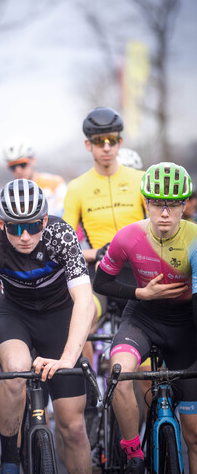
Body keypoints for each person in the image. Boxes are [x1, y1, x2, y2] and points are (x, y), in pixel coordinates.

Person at [0, 179, 96, 474]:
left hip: (59, 315)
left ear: (45, 220)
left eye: (33, 226)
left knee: (73, 427)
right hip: (14, 313)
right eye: (14, 227)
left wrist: (67, 358)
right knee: (14, 371)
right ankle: (10, 458)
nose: (25, 236)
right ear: (1, 223)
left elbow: (84, 301)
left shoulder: (61, 234)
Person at [93, 162, 197, 474]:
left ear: (184, 205)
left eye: (173, 205)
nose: (164, 213)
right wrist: (140, 294)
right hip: (143, 318)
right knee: (119, 372)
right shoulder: (128, 237)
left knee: (194, 434)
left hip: (185, 326)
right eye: (156, 204)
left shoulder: (194, 239)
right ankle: (133, 453)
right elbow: (101, 283)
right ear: (145, 203)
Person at [63, 106, 146, 276]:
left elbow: (163, 229)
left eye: (112, 141)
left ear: (120, 143)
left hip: (140, 263)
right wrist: (97, 253)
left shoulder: (141, 179)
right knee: (87, 303)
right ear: (88, 144)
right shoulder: (76, 187)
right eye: (100, 141)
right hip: (99, 266)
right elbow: (64, 247)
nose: (106, 148)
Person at [0, 140, 67, 228]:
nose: (18, 170)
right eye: (13, 166)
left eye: (23, 164)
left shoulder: (55, 182)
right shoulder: (4, 192)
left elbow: (65, 212)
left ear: (33, 161)